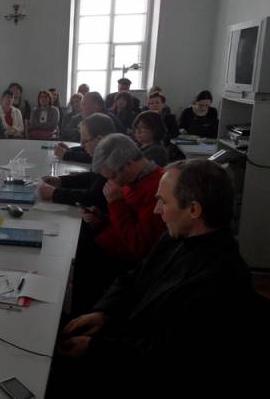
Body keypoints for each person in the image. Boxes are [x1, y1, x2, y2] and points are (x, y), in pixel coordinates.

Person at [48, 160, 256, 387]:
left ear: (194, 210)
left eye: (163, 202)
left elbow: (163, 358)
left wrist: (93, 348)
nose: (157, 210)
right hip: (123, 341)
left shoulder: (221, 281)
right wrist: (104, 311)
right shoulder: (177, 236)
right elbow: (133, 277)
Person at [71, 134, 166, 313]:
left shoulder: (157, 189)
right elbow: (127, 222)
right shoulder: (132, 179)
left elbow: (140, 248)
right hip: (109, 245)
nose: (113, 182)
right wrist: (102, 220)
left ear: (128, 164)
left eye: (113, 176)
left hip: (122, 265)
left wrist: (115, 204)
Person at [39, 113, 116, 211]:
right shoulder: (107, 155)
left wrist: (54, 193)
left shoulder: (113, 163)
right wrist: (61, 181)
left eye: (85, 141)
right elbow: (91, 178)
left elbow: (92, 197)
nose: (82, 145)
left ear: (99, 140)